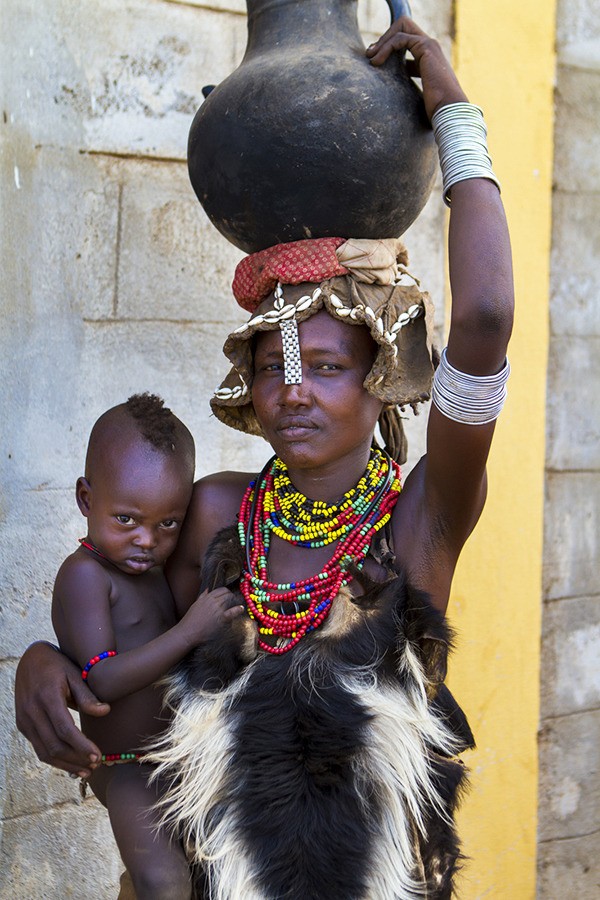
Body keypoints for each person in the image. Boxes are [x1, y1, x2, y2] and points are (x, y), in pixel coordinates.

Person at [15, 18, 513, 900]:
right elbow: (112, 627)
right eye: (273, 368)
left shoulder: (420, 523)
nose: (293, 393)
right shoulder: (214, 516)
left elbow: (483, 321)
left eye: (325, 368)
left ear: (378, 380)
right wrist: (43, 666)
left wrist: (453, 113)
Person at [49, 393, 243, 900]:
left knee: (209, 877)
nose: (147, 541)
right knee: (162, 882)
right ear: (87, 500)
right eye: (127, 520)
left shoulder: (156, 569)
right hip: (128, 764)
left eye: (168, 524)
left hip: (175, 757)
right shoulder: (85, 577)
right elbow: (101, 679)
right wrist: (188, 632)